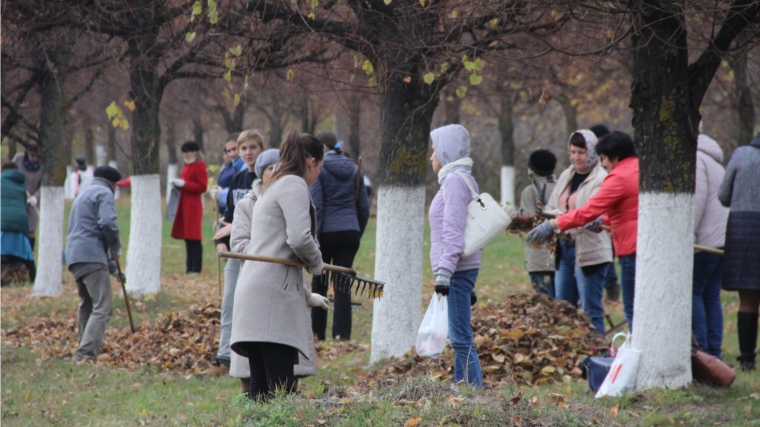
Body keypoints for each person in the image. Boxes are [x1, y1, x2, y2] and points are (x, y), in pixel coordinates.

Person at [230, 131, 330, 401]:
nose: (318, 173)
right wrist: (317, 263)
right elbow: (299, 237)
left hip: (256, 295)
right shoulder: (293, 184)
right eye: (320, 166)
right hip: (272, 301)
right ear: (311, 162)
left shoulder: (272, 184)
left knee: (259, 393)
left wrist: (307, 294)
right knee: (280, 393)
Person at [528, 131, 638, 331]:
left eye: (604, 158)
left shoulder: (613, 177)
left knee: (608, 310)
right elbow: (623, 212)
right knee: (563, 308)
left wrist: (554, 224)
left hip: (597, 250)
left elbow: (588, 211)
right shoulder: (568, 175)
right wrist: (603, 219)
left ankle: (598, 357)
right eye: (572, 152)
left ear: (615, 156)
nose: (603, 163)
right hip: (566, 246)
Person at [428, 124, 484, 388]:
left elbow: (453, 229)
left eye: (434, 150)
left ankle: (473, 393)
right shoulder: (458, 178)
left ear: (446, 151)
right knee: (459, 335)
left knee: (461, 338)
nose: (431, 157)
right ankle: (464, 386)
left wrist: (445, 272)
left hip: (457, 269)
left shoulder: (453, 180)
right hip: (461, 269)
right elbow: (469, 227)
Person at [309, 131, 370, 341]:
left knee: (319, 284)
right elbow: (363, 208)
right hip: (350, 232)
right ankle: (341, 337)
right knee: (343, 286)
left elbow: (317, 206)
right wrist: (356, 233)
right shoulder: (355, 169)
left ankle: (317, 335)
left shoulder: (319, 169)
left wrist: (314, 240)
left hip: (326, 234)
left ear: (323, 147)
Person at [65, 166, 123, 363]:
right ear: (114, 184)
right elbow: (107, 223)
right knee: (103, 307)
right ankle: (85, 356)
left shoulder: (83, 195)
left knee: (88, 305)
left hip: (75, 255)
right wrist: (116, 248)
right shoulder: (104, 193)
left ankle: (82, 351)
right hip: (91, 255)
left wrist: (114, 270)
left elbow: (91, 232)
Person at [718, 131, 760, 371]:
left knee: (748, 300)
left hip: (743, 231)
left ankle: (747, 359)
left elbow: (723, 196)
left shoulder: (741, 155)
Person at [692, 130, 729, 359]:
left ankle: (702, 353)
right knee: (711, 295)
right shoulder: (713, 160)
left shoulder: (696, 160)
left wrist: (688, 236)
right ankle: (714, 354)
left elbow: (696, 201)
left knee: (694, 292)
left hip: (704, 241)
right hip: (720, 240)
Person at [517, 149, 557, 297]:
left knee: (545, 305)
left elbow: (528, 222)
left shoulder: (530, 191)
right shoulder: (562, 186)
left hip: (539, 255)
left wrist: (511, 215)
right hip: (560, 257)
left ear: (531, 169)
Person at [590, 124, 621, 303]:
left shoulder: (612, 171)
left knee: (606, 254)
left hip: (613, 223)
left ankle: (611, 288)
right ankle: (611, 288)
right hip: (608, 220)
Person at [170, 142, 208, 274]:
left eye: (188, 152)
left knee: (194, 238)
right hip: (184, 205)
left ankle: (196, 268)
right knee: (188, 238)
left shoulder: (199, 165)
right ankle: (189, 267)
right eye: (184, 152)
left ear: (195, 152)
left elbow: (202, 187)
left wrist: (185, 184)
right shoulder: (187, 165)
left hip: (193, 206)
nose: (186, 155)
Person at [1, 163, 36, 284]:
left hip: (3, 220)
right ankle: (34, 278)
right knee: (25, 253)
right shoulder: (22, 186)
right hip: (21, 221)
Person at [12, 142, 41, 250]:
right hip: (18, 199)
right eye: (32, 156)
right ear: (27, 153)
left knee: (31, 229)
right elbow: (10, 174)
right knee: (17, 227)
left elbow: (43, 185)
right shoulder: (18, 159)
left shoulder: (43, 164)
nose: (34, 159)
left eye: (37, 156)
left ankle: (29, 254)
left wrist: (36, 197)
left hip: (33, 201)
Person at [216, 133, 241, 213]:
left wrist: (222, 194)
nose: (232, 154)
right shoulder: (233, 167)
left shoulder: (246, 168)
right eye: (229, 151)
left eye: (235, 149)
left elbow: (243, 195)